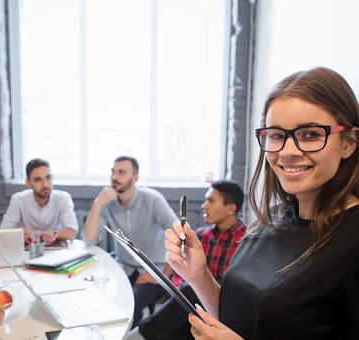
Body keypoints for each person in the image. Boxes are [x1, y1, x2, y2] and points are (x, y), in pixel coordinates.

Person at [165, 67, 359, 339]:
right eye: (277, 135)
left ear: (349, 143)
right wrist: (199, 277)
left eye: (311, 134)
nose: (288, 151)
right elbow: (243, 319)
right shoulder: (272, 220)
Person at [134, 180, 246, 340]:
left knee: (190, 292)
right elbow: (180, 272)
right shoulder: (199, 235)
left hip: (223, 311)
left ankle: (139, 334)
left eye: (211, 201)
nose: (204, 206)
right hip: (192, 307)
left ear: (230, 208)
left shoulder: (247, 241)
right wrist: (179, 289)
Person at [84, 156, 179, 329]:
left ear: (135, 178)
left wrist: (163, 277)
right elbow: (89, 239)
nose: (114, 177)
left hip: (154, 269)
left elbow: (178, 235)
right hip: (124, 268)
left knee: (131, 305)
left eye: (121, 172)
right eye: (113, 172)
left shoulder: (152, 199)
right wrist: (97, 204)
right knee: (101, 298)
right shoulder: (107, 203)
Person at [0, 158, 78, 246]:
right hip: (28, 251)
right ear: (28, 183)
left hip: (56, 250)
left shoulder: (63, 198)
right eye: (38, 179)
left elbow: (71, 233)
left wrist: (31, 233)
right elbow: (4, 232)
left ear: (52, 177)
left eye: (48, 178)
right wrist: (39, 237)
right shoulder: (18, 199)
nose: (45, 184)